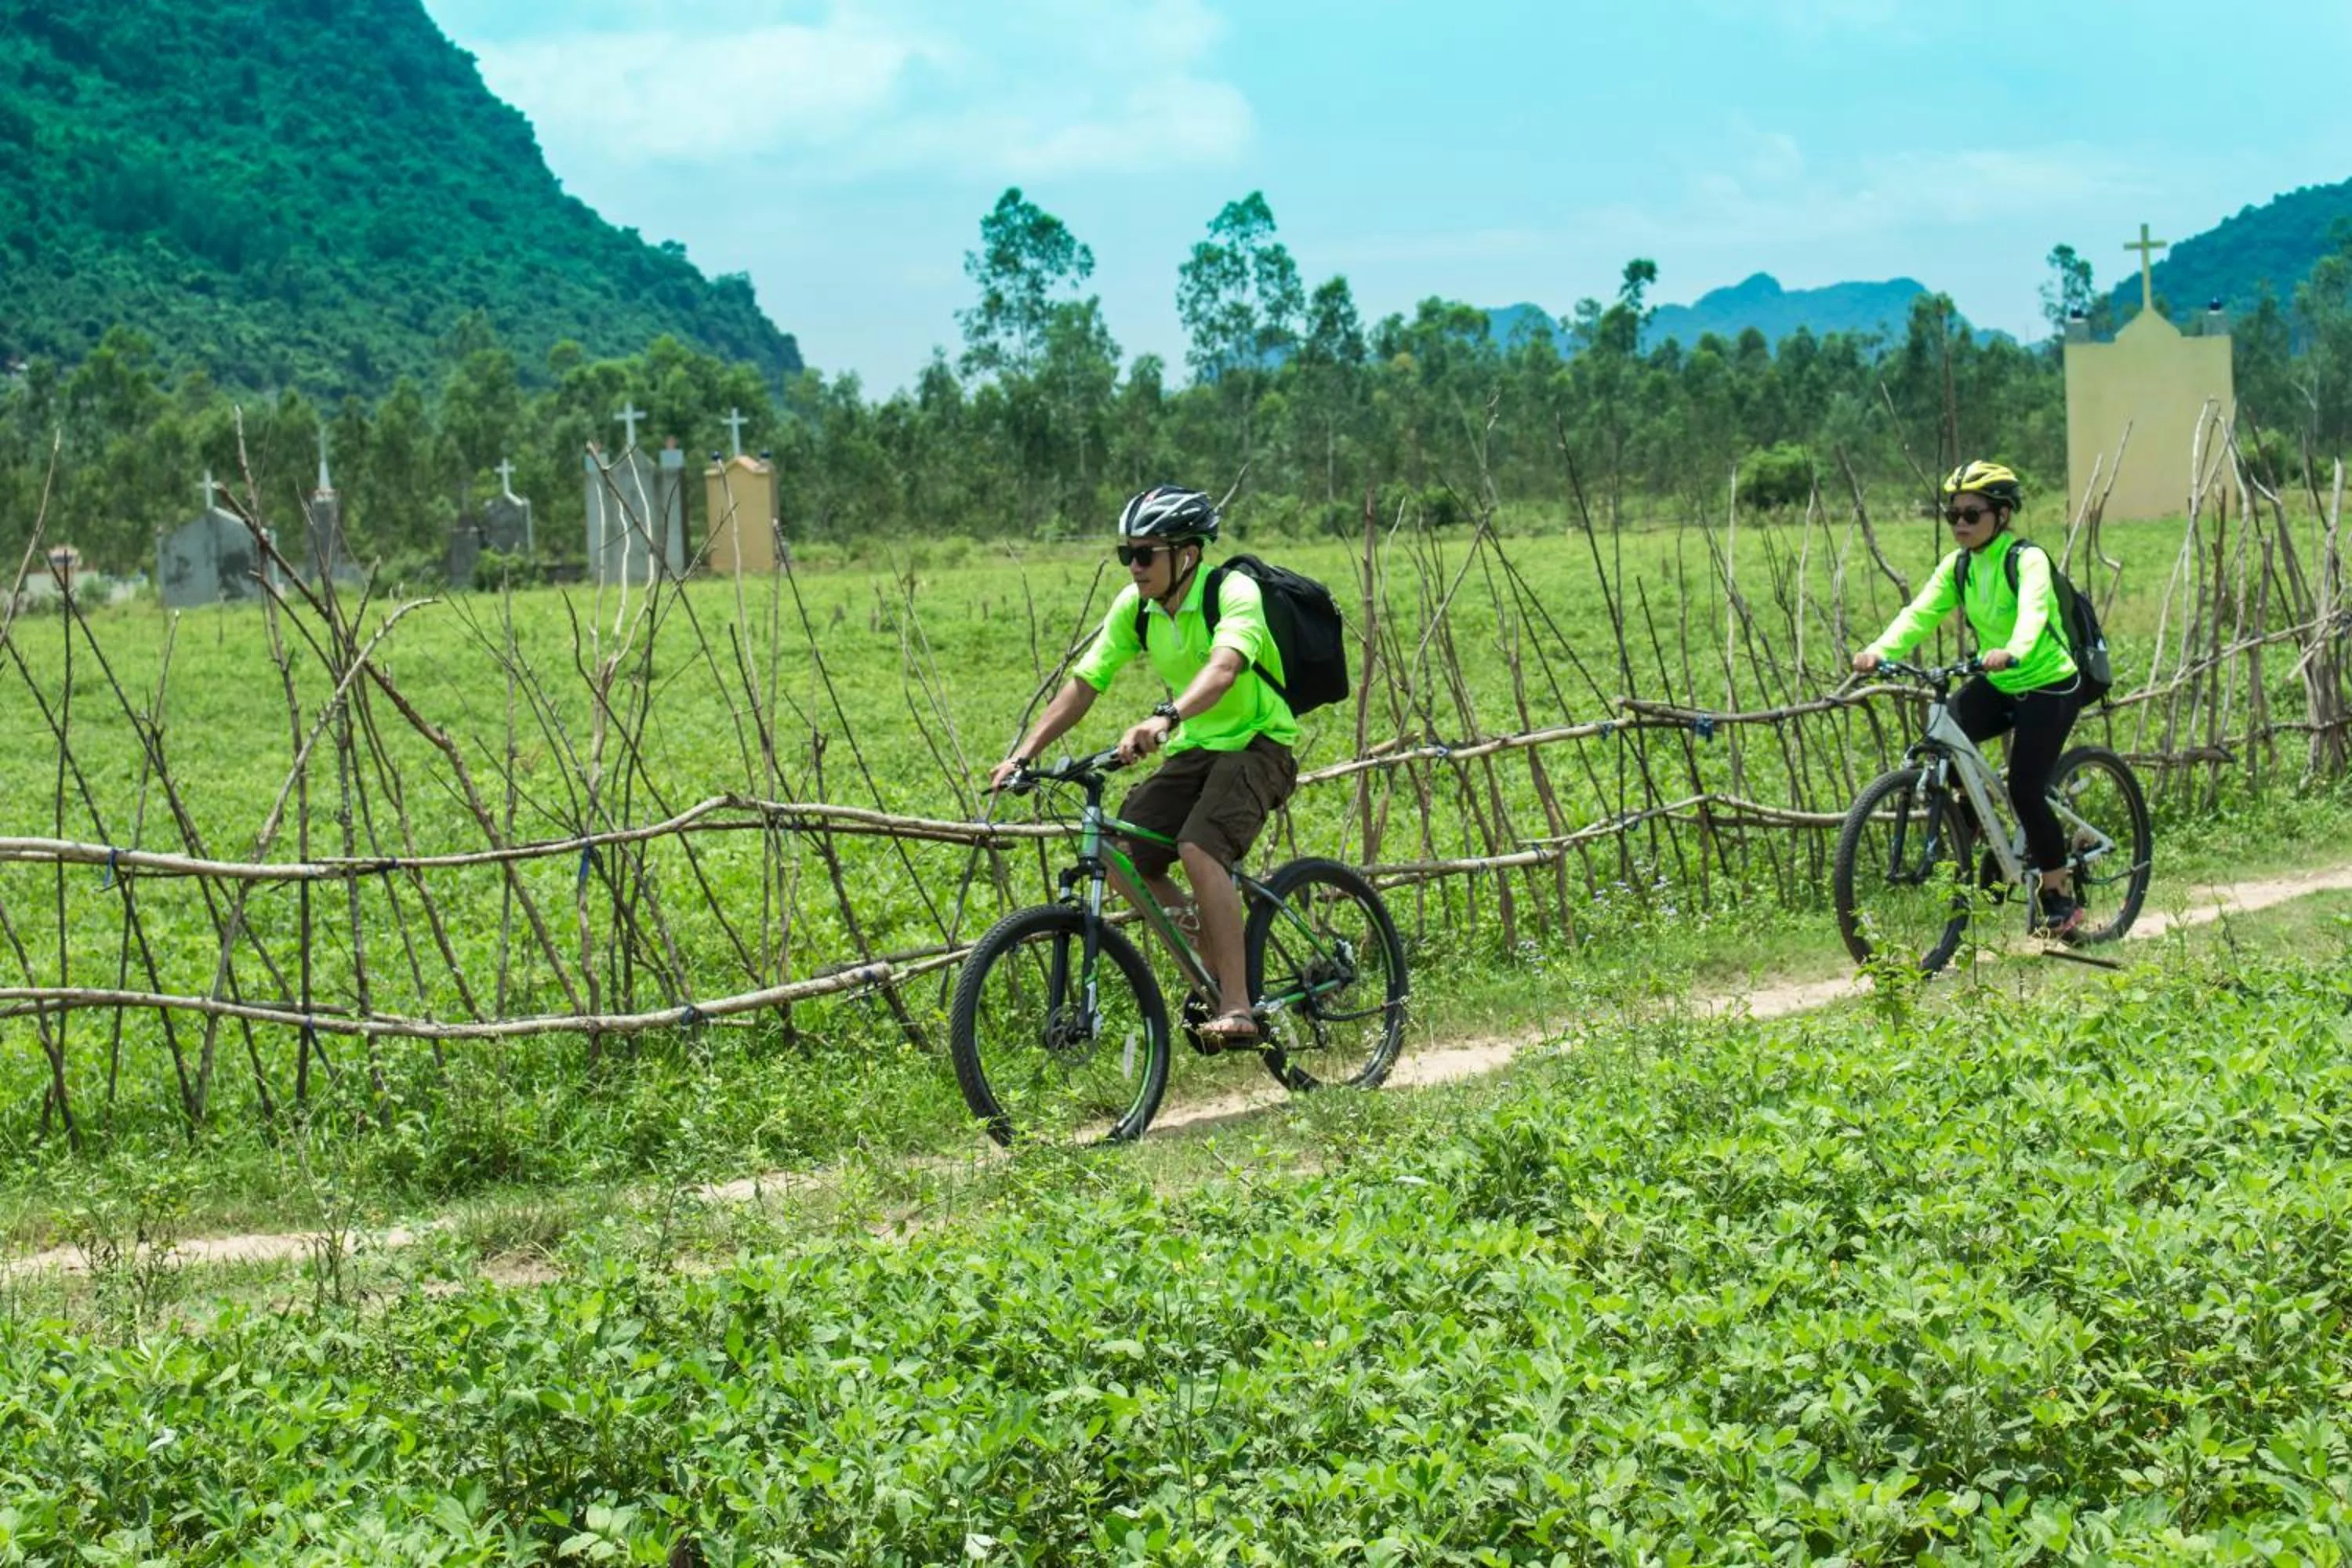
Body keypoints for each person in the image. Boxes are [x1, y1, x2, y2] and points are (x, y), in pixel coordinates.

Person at [989, 485, 1300, 1044]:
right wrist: (1024, 753)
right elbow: (1085, 684)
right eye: (1126, 553)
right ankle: (1213, 959)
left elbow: (1225, 667)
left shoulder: (1232, 591)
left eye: (1145, 553)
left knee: (1199, 845)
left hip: (1258, 744)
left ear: (1187, 553)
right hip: (1195, 748)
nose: (1133, 566)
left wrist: (1165, 717)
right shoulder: (1137, 608)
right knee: (1123, 854)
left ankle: (1237, 1003)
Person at [1851, 459, 2087, 939]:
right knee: (1946, 743)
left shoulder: (2026, 559)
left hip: (2048, 682)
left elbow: (2034, 612)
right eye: (1952, 514)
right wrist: (1878, 651)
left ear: (2001, 516)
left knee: (2025, 787)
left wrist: (2015, 650)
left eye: (1971, 514)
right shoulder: (1957, 567)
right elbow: (1919, 614)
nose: (1960, 523)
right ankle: (1979, 836)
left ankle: (2058, 894)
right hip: (1999, 681)